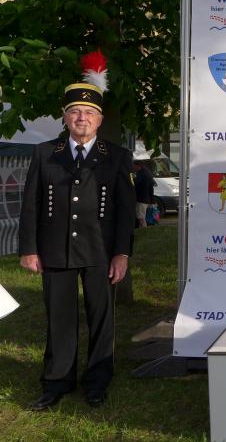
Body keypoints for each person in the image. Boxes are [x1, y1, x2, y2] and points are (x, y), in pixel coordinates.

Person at [18, 52, 136, 410]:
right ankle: (57, 381)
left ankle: (97, 381)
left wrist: (122, 253)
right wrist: (29, 248)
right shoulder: (45, 153)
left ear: (99, 119)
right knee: (59, 317)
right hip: (55, 248)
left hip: (101, 250)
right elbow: (31, 203)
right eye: (75, 111)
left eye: (89, 112)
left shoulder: (116, 156)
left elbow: (125, 210)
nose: (81, 117)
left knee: (101, 317)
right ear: (65, 116)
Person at [133, 160, 156, 227]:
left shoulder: (142, 174)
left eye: (134, 166)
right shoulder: (147, 173)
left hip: (142, 199)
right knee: (142, 216)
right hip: (146, 198)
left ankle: (144, 230)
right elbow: (151, 188)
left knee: (141, 217)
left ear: (138, 166)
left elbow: (135, 183)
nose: (133, 168)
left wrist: (133, 178)